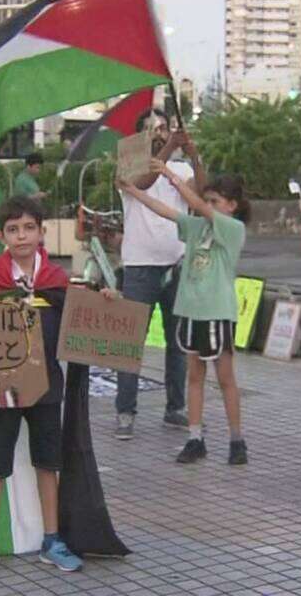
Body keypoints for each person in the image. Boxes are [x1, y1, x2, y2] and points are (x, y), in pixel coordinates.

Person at [0, 196, 90, 577]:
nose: (22, 236)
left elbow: (83, 313)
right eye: (13, 230)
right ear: (1, 235)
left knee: (48, 462)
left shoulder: (57, 280)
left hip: (46, 386)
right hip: (1, 389)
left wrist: (103, 304)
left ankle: (52, 540)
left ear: (42, 232)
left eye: (29, 227)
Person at [120, 169, 249, 466]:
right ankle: (195, 437)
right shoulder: (197, 227)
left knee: (226, 378)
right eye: (209, 201)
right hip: (190, 310)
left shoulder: (231, 229)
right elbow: (165, 211)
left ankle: (236, 439)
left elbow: (199, 207)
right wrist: (135, 192)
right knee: (195, 376)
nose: (209, 206)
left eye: (216, 201)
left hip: (217, 313)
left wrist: (171, 176)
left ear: (232, 205)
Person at [113, 112, 205, 440]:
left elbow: (203, 195)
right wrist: (168, 148)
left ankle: (175, 409)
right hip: (139, 266)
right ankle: (126, 411)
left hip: (177, 263)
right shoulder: (128, 163)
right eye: (152, 129)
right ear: (139, 136)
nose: (159, 132)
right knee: (131, 343)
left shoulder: (181, 169)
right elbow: (143, 183)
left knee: (177, 343)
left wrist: (192, 153)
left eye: (164, 128)